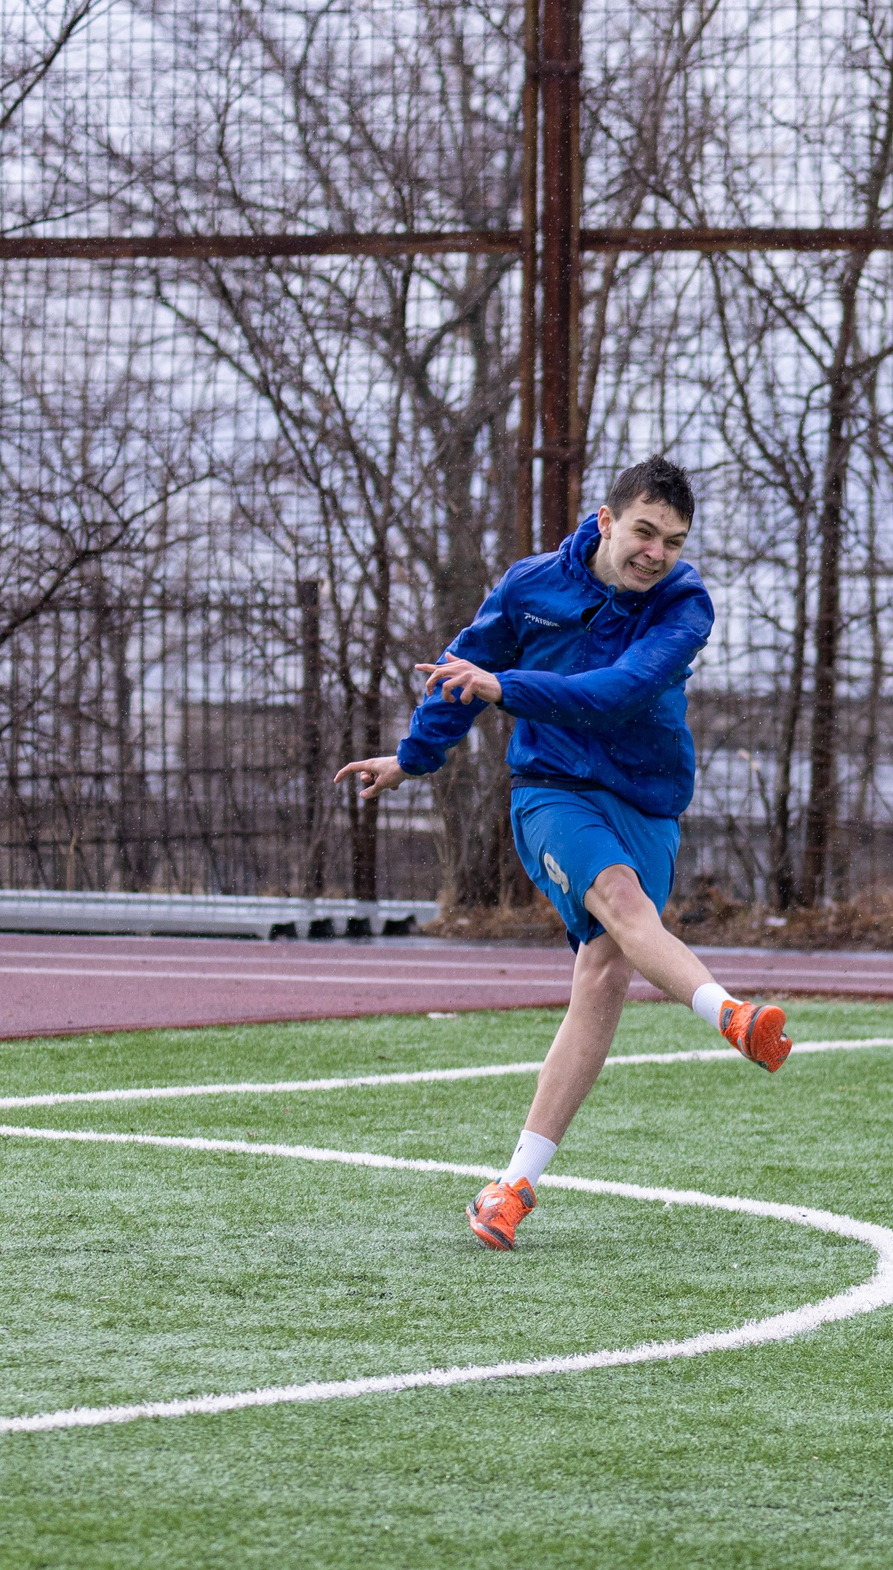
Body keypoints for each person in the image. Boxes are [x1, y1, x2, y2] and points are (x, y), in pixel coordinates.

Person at [337, 456, 792, 1250]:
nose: (656, 553)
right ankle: (732, 1015)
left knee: (605, 974)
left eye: (674, 542)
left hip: (647, 800)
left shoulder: (685, 606)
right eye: (644, 532)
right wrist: (413, 757)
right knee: (622, 902)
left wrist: (504, 687)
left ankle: (512, 1187)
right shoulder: (531, 586)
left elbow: (616, 694)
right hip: (552, 790)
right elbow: (461, 670)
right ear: (606, 521)